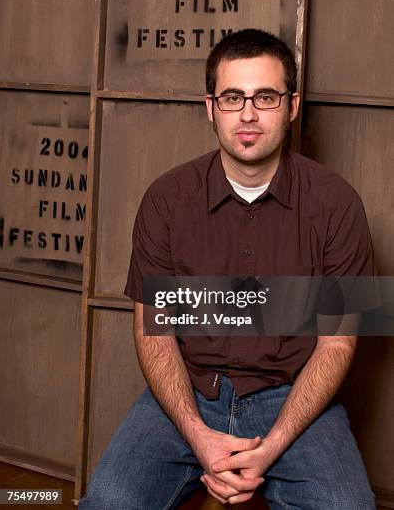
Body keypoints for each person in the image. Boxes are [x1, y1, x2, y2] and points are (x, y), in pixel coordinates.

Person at [79, 29, 376, 509]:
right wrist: (198, 435)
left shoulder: (338, 204)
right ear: (211, 106)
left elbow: (337, 342)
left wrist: (272, 447)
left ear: (292, 105)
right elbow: (154, 335)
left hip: (292, 395)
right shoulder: (166, 199)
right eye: (233, 97)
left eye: (266, 96)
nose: (249, 114)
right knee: (109, 500)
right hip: (189, 390)